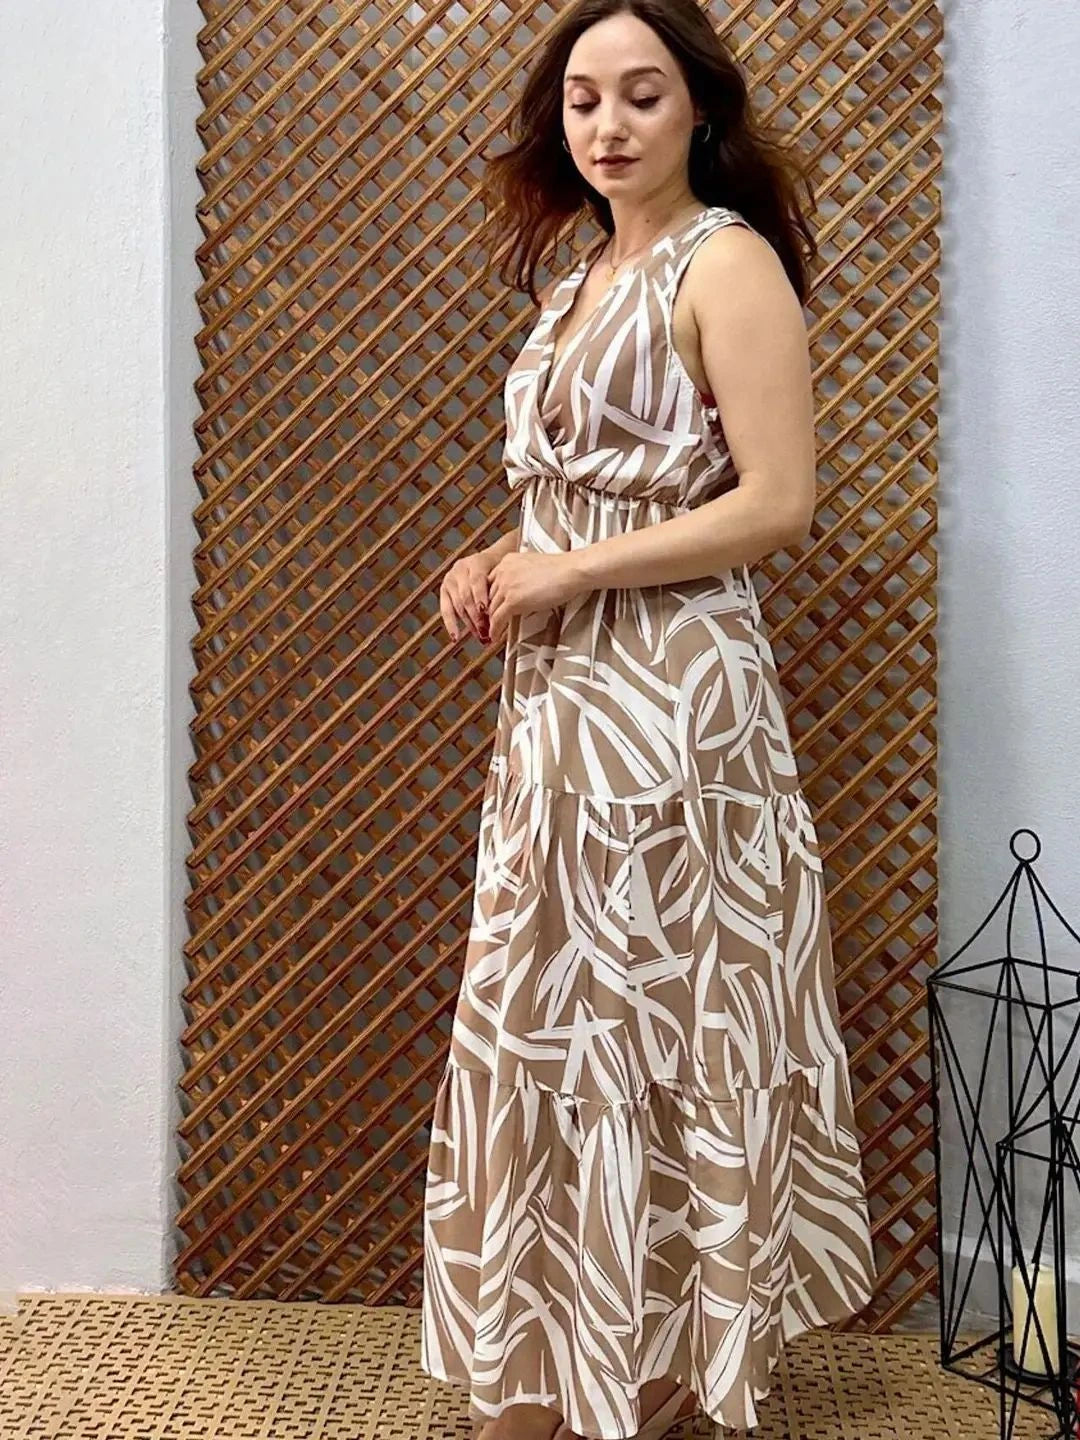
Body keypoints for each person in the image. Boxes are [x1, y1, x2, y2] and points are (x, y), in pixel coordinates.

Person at [420, 2, 878, 1438]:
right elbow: (584, 494)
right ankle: (565, 1353)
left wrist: (570, 571)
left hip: (676, 706)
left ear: (699, 111)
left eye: (641, 95)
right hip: (560, 708)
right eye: (582, 101)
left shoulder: (724, 262)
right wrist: (500, 555)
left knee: (663, 1016)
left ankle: (673, 1365)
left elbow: (777, 503)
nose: (607, 126)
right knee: (556, 1022)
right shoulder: (578, 276)